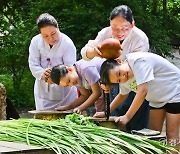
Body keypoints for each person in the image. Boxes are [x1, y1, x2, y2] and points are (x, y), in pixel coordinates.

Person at [81, 5, 149, 131]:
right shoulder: (105, 33)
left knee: (137, 125)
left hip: (137, 84)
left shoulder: (140, 38)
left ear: (132, 24)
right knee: (115, 122)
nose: (119, 32)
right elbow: (85, 53)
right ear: (110, 24)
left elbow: (135, 71)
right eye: (115, 28)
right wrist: (93, 52)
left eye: (125, 28)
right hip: (115, 83)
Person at [95, 52, 180, 148]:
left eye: (119, 73)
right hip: (156, 100)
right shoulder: (123, 77)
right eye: (118, 80)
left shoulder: (139, 62)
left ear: (119, 61)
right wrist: (106, 112)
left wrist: (127, 117)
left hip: (174, 92)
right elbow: (122, 95)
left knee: (171, 134)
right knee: (153, 134)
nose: (123, 77)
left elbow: (142, 91)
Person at [28, 13, 78, 110]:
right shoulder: (35, 41)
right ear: (40, 34)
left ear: (58, 28)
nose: (51, 39)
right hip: (43, 91)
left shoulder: (67, 43)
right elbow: (33, 64)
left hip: (65, 91)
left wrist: (56, 77)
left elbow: (70, 67)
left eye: (53, 34)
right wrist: (43, 73)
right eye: (45, 36)